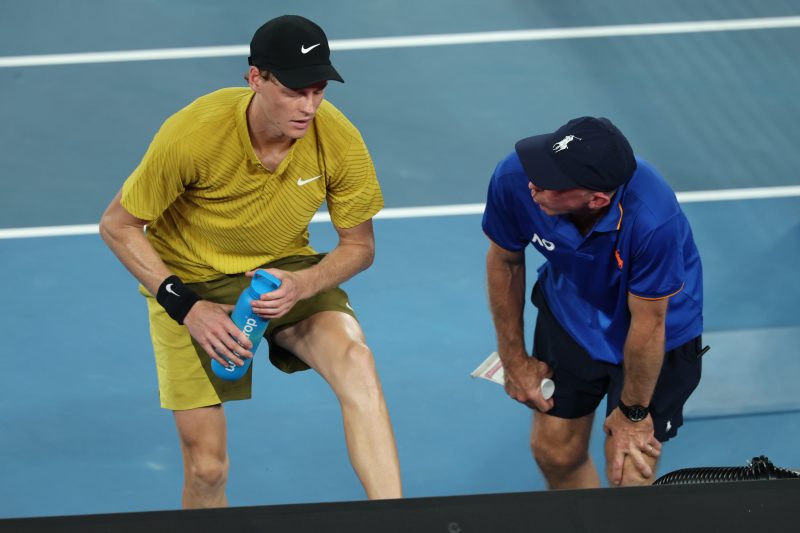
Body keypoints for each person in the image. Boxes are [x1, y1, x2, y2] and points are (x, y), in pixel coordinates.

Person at [99, 14, 402, 507]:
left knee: (357, 361)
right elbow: (118, 225)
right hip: (190, 280)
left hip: (283, 271)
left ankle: (395, 516)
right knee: (207, 468)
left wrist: (304, 285)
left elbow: (359, 246)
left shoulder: (338, 138)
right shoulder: (193, 134)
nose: (309, 107)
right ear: (256, 78)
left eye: (319, 91)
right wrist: (187, 308)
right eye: (295, 92)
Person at [482, 116, 705, 488]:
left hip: (658, 331)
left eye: (550, 182)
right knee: (555, 452)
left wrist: (633, 414)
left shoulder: (652, 220)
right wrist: (514, 358)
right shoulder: (515, 177)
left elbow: (648, 324)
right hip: (572, 313)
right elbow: (505, 261)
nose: (533, 183)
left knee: (629, 474)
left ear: (596, 199)